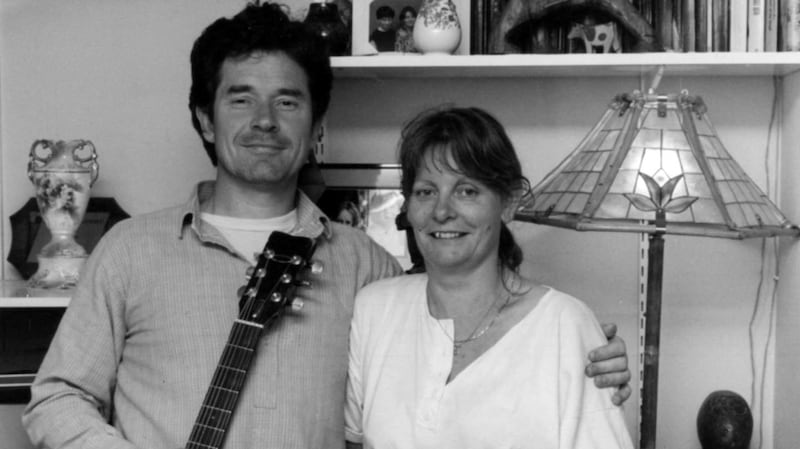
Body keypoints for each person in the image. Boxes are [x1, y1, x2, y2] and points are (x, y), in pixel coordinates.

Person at [22, 3, 630, 448]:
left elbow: (460, 332)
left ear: (316, 128)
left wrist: (580, 354)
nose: (265, 120)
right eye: (240, 99)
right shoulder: (129, 252)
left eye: (288, 101)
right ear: (206, 120)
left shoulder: (368, 268)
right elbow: (55, 398)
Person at [345, 106, 635, 448]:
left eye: (467, 191)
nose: (442, 211)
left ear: (509, 202)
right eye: (426, 191)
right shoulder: (374, 310)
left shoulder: (566, 327)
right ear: (408, 204)